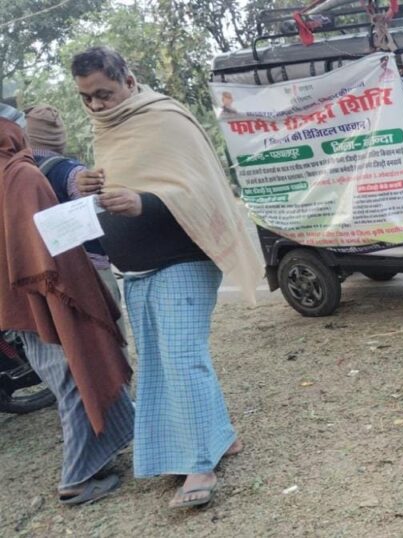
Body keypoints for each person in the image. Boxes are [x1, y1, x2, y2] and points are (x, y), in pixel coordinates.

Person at [70, 45, 263, 509]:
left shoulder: (165, 119)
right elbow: (119, 185)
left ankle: (200, 465)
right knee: (161, 360)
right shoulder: (105, 130)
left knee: (181, 356)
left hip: (184, 258)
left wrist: (145, 202)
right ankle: (223, 438)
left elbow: (200, 191)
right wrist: (86, 187)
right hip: (136, 270)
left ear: (129, 81)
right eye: (86, 97)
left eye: (104, 93)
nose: (96, 105)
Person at [0, 107, 134, 505]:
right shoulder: (22, 176)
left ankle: (122, 437)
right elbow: (49, 250)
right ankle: (76, 478)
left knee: (70, 375)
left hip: (18, 303)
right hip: (50, 296)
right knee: (76, 375)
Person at [23, 104, 123, 323]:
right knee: (108, 340)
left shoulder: (15, 174)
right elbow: (101, 223)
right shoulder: (74, 172)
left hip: (42, 274)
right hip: (89, 275)